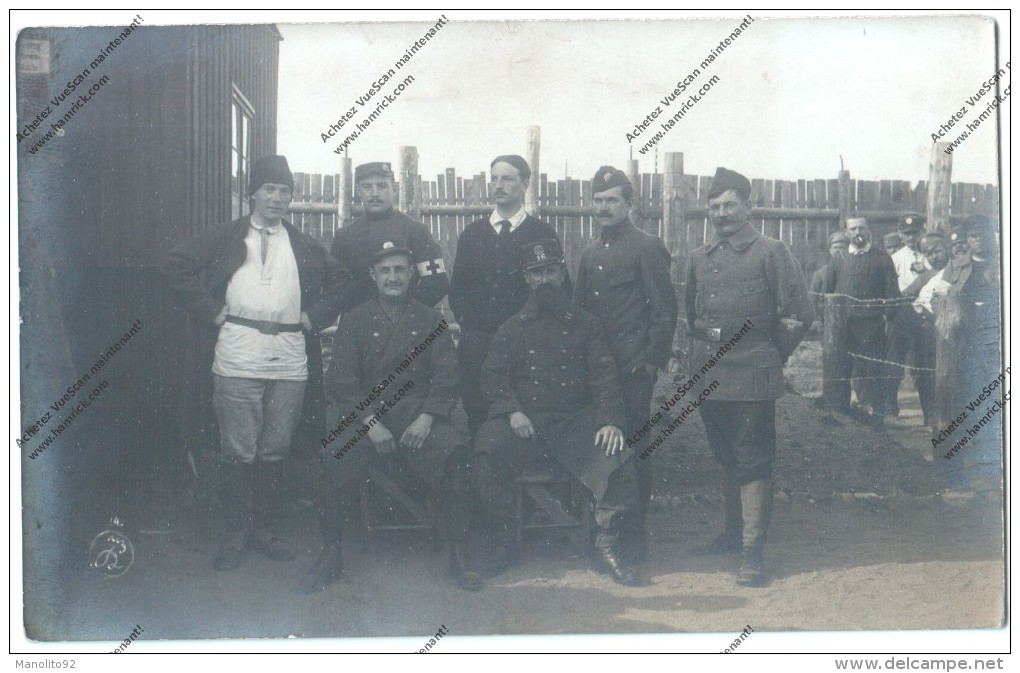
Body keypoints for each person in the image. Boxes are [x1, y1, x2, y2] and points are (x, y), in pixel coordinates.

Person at [162, 155, 351, 571]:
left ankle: (264, 530)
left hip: (288, 358)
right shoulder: (227, 236)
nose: (277, 199)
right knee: (239, 449)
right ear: (253, 194)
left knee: (274, 448)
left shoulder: (301, 243)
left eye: (285, 191)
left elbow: (345, 281)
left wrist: (314, 316)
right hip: (237, 353)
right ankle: (235, 533)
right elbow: (175, 264)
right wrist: (209, 308)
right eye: (269, 189)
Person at [300, 240, 478, 593]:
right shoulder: (353, 320)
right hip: (368, 418)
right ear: (372, 275)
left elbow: (447, 376)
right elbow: (341, 381)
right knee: (327, 458)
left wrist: (428, 417)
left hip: (417, 416)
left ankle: (460, 555)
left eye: (399, 270)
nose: (393, 277)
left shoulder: (431, 319)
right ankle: (331, 553)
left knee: (456, 454)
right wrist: (369, 423)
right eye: (385, 271)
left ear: (411, 274)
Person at [474, 238, 642, 586]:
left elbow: (605, 376)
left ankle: (606, 545)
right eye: (537, 273)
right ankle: (503, 542)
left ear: (563, 274)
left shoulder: (587, 324)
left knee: (618, 456)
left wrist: (610, 419)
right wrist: (512, 411)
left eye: (551, 270)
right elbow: (492, 378)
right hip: (526, 423)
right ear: (526, 279)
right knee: (485, 454)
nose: (545, 279)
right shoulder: (511, 328)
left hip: (573, 422)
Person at [685, 167, 814, 587]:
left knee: (753, 462)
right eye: (714, 206)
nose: (721, 213)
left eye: (729, 205)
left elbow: (798, 314)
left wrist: (769, 354)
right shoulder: (700, 259)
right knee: (725, 458)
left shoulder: (771, 252)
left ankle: (753, 552)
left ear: (748, 207)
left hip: (754, 378)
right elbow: (692, 316)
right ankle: (731, 533)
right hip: (711, 378)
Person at [573, 166, 677, 562]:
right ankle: (602, 533)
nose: (604, 207)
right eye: (598, 200)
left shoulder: (647, 247)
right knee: (601, 449)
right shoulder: (589, 253)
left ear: (628, 204)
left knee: (634, 450)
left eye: (612, 200)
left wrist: (650, 363)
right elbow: (581, 315)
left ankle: (634, 536)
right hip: (596, 373)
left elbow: (664, 312)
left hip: (633, 371)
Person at [448, 155, 571, 435]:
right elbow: (457, 290)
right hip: (478, 340)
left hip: (525, 342)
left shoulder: (540, 232)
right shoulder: (473, 234)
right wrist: (470, 323)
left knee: (523, 413)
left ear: (525, 184)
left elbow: (559, 291)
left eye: (507, 178)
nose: (498, 185)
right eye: (494, 178)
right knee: (477, 410)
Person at [330, 161, 448, 311]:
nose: (375, 194)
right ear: (358, 190)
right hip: (359, 328)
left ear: (394, 188)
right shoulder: (345, 236)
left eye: (382, 185)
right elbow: (335, 287)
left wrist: (407, 314)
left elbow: (437, 283)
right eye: (367, 187)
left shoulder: (416, 231)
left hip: (405, 327)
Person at [819, 216, 900, 417]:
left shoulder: (882, 258)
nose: (858, 233)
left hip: (872, 327)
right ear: (847, 233)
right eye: (853, 229)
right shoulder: (838, 260)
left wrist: (886, 318)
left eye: (861, 228)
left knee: (871, 372)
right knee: (841, 370)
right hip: (843, 328)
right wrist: (829, 323)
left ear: (868, 230)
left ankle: (875, 416)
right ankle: (841, 415)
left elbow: (892, 295)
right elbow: (826, 295)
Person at [809, 230, 851, 326]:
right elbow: (813, 301)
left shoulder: (854, 271)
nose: (838, 250)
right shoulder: (820, 274)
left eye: (841, 247)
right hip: (828, 323)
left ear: (848, 249)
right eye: (835, 247)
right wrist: (827, 318)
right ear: (830, 250)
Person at [890, 213, 927, 292]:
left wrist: (926, 272)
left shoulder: (932, 254)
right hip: (905, 301)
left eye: (914, 232)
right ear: (900, 234)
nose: (911, 237)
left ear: (923, 231)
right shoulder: (895, 259)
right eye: (906, 233)